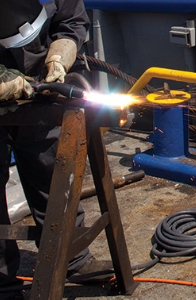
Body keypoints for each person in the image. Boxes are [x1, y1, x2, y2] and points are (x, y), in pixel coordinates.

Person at [0, 1, 111, 299]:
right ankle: (3, 282)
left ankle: (73, 258)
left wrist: (60, 55)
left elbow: (72, 20)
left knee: (52, 171)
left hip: (38, 82)